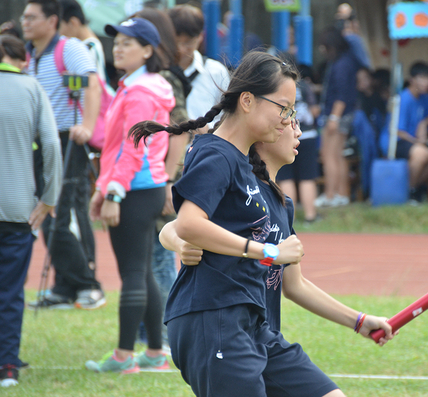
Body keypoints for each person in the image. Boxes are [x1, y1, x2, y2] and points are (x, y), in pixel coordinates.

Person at [129, 50, 355, 397]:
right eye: (283, 108)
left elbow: (186, 230)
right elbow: (185, 224)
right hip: (213, 318)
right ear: (247, 101)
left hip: (253, 324)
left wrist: (359, 322)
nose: (288, 120)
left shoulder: (251, 176)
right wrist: (268, 252)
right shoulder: (216, 153)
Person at [158, 123, 396, 394]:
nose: (298, 133)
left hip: (262, 333)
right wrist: (181, 243)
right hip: (219, 323)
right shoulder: (237, 185)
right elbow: (174, 228)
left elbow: (296, 285)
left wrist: (359, 320)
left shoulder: (283, 205)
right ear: (262, 135)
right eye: (289, 123)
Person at [85, 18, 175, 373]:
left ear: (148, 51)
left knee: (134, 273)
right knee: (144, 272)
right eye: (117, 41)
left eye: (127, 43)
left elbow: (132, 148)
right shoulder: (138, 86)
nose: (118, 47)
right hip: (140, 187)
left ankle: (124, 357)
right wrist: (102, 189)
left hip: (136, 188)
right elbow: (115, 148)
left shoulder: (140, 92)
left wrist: (114, 193)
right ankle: (154, 353)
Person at [22, 0, 105, 310]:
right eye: (24, 17)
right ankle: (64, 287)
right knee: (46, 216)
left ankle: (88, 286)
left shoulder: (68, 49)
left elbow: (92, 85)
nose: (25, 22)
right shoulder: (28, 54)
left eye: (32, 17)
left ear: (52, 20)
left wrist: (86, 125)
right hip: (38, 144)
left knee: (59, 216)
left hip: (66, 141)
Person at [0, 34, 62, 388]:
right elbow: (52, 145)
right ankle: (7, 365)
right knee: (9, 290)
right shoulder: (32, 88)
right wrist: (49, 198)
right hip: (18, 208)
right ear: (23, 58)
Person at [131, 8, 191, 347]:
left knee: (158, 255)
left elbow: (181, 130)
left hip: (160, 179)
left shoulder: (164, 77)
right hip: (149, 178)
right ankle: (151, 332)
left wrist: (168, 179)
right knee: (149, 257)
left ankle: (165, 334)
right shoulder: (154, 76)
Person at [378, 62, 428, 203]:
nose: (427, 83)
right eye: (422, 78)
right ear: (411, 80)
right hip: (394, 142)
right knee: (421, 153)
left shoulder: (423, 98)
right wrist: (418, 142)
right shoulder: (403, 98)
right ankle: (409, 192)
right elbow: (397, 131)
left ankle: (409, 189)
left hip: (410, 141)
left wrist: (424, 123)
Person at [316, 26, 360, 208]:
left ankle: (330, 194)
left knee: (329, 155)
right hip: (345, 113)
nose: (321, 50)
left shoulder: (341, 65)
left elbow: (341, 94)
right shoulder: (348, 61)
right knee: (339, 156)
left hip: (337, 114)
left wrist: (333, 118)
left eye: (324, 46)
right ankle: (342, 194)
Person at [168, 4, 230, 129]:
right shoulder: (157, 71)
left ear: (200, 37)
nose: (181, 49)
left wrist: (207, 131)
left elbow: (227, 116)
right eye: (176, 42)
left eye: (188, 43)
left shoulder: (215, 71)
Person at [278, 73, 321, 224]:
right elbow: (315, 110)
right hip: (307, 134)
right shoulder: (304, 85)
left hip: (284, 135)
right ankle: (310, 216)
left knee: (285, 177)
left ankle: (289, 219)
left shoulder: (276, 85)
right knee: (307, 177)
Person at [58, 0, 109, 87]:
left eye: (58, 27)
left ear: (73, 22)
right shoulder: (88, 45)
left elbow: (93, 86)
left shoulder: (90, 47)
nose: (58, 33)